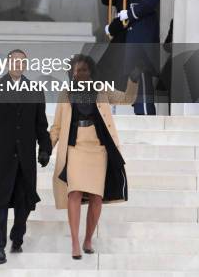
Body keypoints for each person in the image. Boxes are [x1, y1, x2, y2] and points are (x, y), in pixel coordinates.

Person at [50, 54, 139, 259]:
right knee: (74, 192)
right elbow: (56, 126)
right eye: (75, 69)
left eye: (82, 69)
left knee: (97, 197)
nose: (78, 73)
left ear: (90, 71)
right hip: (75, 146)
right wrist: (47, 146)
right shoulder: (66, 93)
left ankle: (88, 239)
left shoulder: (102, 88)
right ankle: (74, 242)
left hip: (98, 147)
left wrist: (133, 80)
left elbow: (127, 99)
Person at [0, 48, 52, 265]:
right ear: (8, 64)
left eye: (22, 62)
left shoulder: (35, 90)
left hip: (25, 158)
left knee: (24, 203)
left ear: (25, 65)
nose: (18, 65)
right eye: (14, 61)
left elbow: (41, 124)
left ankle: (17, 237)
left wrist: (45, 148)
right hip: (1, 157)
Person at [100, 0, 163, 115]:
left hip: (139, 36)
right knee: (108, 73)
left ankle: (145, 114)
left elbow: (140, 6)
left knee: (140, 76)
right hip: (126, 36)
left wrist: (115, 26)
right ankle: (110, 111)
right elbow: (113, 0)